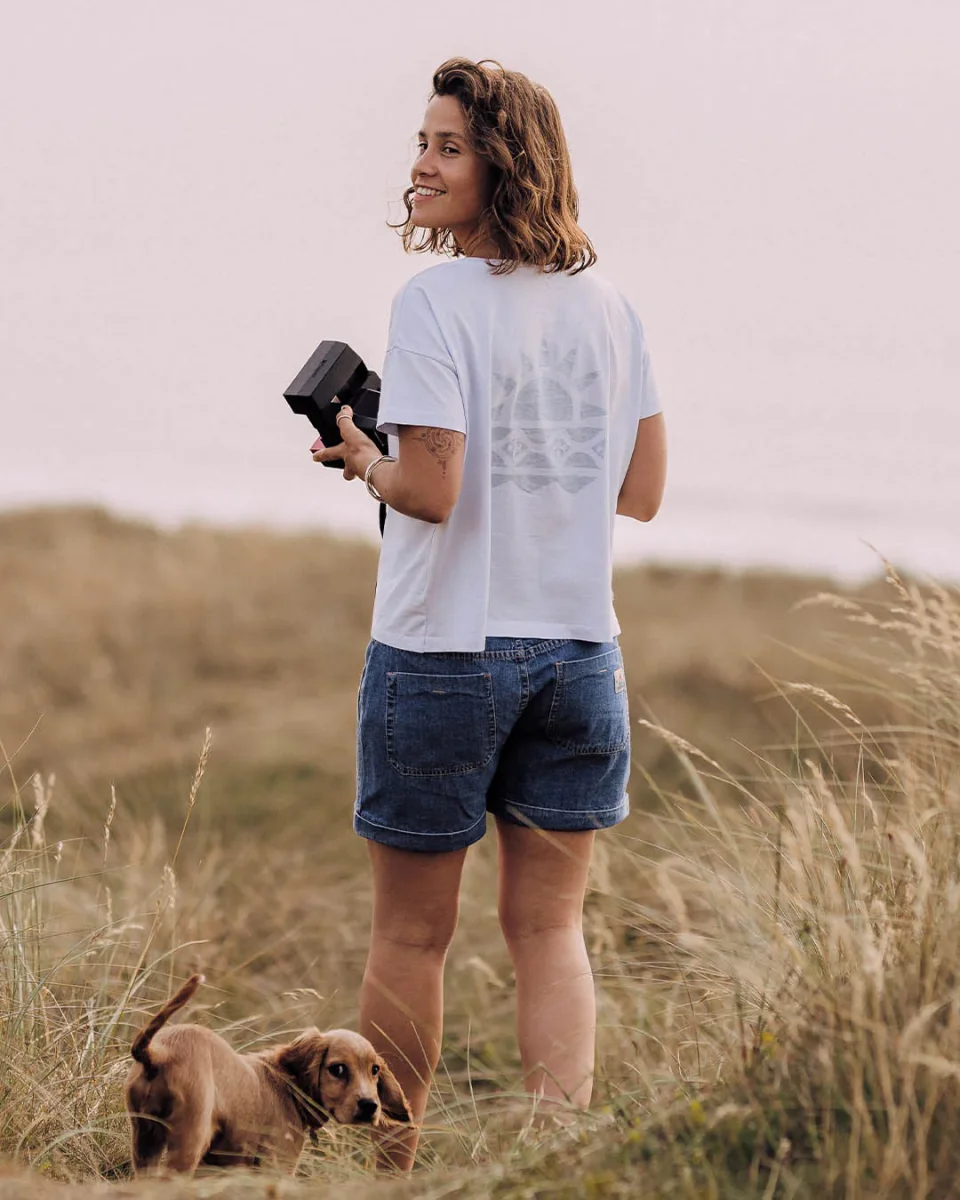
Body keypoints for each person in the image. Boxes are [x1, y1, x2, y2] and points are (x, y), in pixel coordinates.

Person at [312, 57, 667, 1171]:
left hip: (445, 653)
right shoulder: (612, 308)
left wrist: (365, 459)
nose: (420, 165)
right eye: (421, 143)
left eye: (448, 147)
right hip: (580, 653)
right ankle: (558, 1162)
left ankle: (391, 1170)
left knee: (413, 931)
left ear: (503, 162)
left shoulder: (433, 302)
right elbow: (642, 492)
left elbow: (430, 490)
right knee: (551, 931)